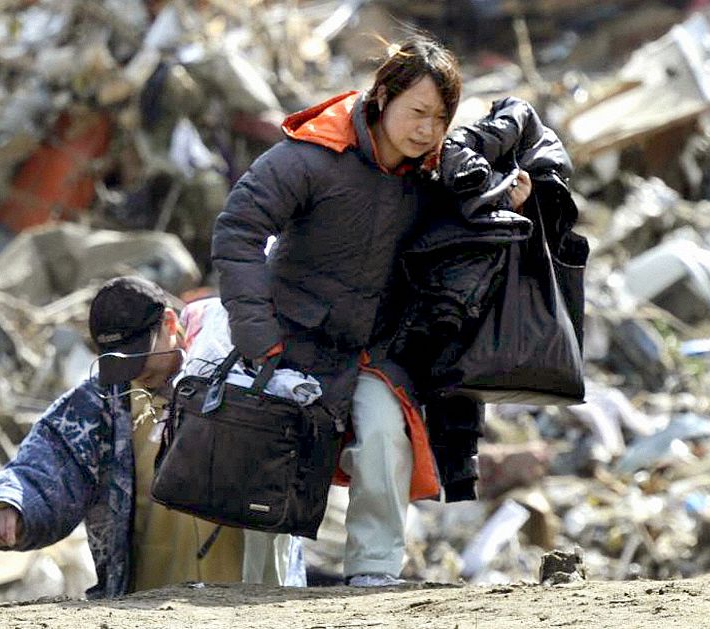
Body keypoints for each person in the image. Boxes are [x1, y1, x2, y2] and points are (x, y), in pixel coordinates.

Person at [211, 33, 532, 587]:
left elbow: (459, 230)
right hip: (287, 344)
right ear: (383, 97)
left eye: (439, 117)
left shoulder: (430, 177)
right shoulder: (310, 157)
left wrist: (503, 202)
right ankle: (257, 596)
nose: (427, 130)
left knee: (385, 431)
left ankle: (374, 578)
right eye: (417, 112)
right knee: (272, 465)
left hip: (367, 350)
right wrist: (259, 339)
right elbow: (237, 231)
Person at [0, 275, 302, 598]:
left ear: (170, 324)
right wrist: (11, 506)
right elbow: (48, 459)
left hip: (253, 600)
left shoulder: (244, 376)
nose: (133, 373)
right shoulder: (102, 404)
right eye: (118, 360)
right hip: (150, 604)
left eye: (138, 354)